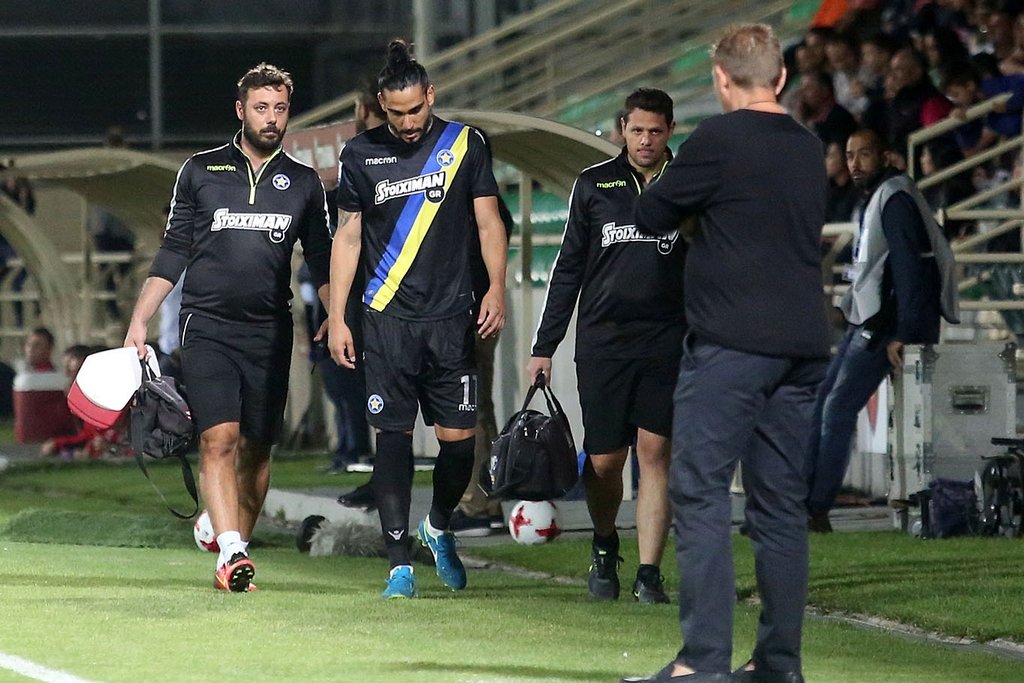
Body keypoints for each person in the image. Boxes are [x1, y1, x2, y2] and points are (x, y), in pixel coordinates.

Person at [623, 23, 831, 683]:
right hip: (803, 345)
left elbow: (652, 214)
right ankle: (779, 665)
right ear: (781, 76)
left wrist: (697, 216)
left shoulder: (716, 139)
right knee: (780, 507)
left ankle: (703, 661)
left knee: (700, 493)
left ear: (720, 79)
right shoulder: (808, 146)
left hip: (733, 344)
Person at [123, 63, 332, 592]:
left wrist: (338, 317)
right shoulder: (200, 170)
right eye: (261, 108)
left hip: (269, 331)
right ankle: (232, 554)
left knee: (257, 450)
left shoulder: (304, 183)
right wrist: (140, 319)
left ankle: (231, 537)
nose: (271, 118)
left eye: (279, 108)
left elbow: (323, 260)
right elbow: (174, 249)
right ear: (241, 110)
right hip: (207, 326)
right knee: (220, 438)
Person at [327, 39, 507, 599]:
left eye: (415, 110)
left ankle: (438, 525)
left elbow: (489, 222)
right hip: (386, 318)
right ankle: (399, 565)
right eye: (396, 113)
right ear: (381, 105)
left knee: (459, 444)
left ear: (431, 95)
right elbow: (348, 237)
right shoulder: (359, 154)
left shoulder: (465, 144)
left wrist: (496, 287)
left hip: (452, 318)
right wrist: (338, 315)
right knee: (393, 440)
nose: (407, 124)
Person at [527, 88, 685, 604]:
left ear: (670, 131)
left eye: (655, 131)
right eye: (637, 130)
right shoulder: (594, 184)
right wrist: (545, 344)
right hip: (603, 342)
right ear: (622, 129)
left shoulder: (686, 185)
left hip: (667, 340)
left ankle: (649, 573)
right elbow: (568, 268)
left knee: (655, 452)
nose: (646, 140)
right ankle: (603, 542)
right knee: (604, 461)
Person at [806, 129, 960, 533]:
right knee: (824, 402)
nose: (855, 163)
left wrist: (905, 332)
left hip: (883, 325)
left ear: (886, 156)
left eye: (864, 154)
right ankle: (800, 503)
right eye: (850, 155)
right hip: (870, 321)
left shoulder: (894, 198)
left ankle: (813, 509)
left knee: (836, 408)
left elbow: (911, 268)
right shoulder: (883, 195)